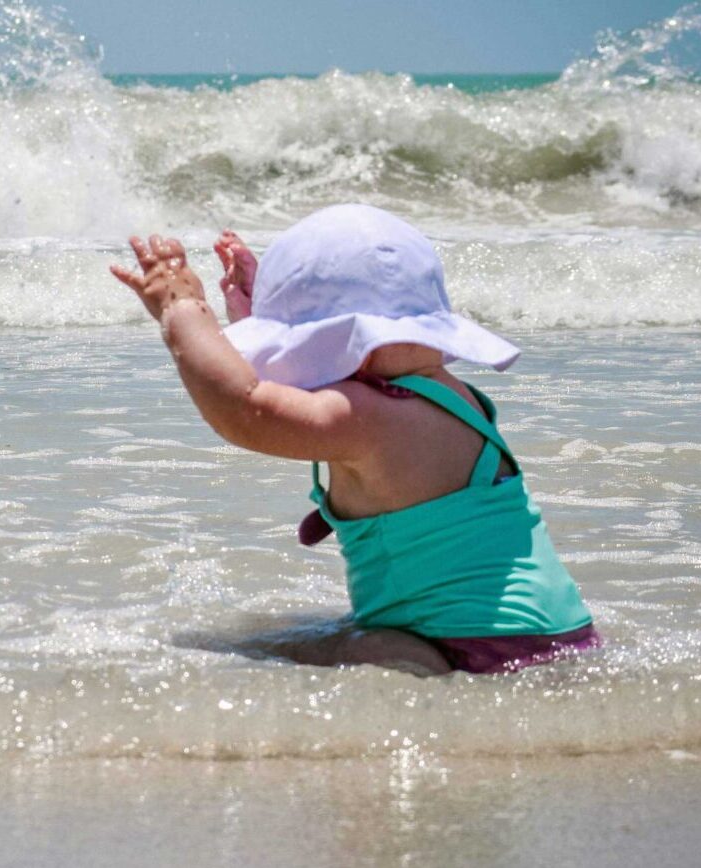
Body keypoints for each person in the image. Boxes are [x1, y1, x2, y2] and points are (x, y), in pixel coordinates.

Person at [111, 204, 599, 676]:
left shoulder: (369, 418)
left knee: (282, 648)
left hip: (458, 649)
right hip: (560, 637)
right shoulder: (452, 399)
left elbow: (249, 410)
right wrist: (264, 315)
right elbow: (305, 391)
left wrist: (183, 314)